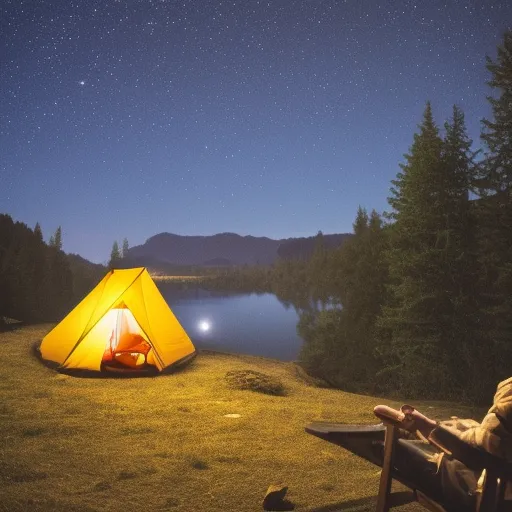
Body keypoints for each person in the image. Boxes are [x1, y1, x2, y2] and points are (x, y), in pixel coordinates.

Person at [373, 376, 512, 510]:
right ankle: (416, 430)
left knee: (427, 455)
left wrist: (430, 427)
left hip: (492, 498)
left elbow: (484, 447)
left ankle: (414, 430)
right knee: (463, 427)